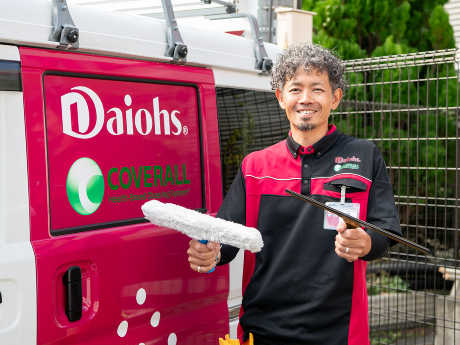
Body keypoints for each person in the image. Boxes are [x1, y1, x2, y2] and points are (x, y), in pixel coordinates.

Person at [187, 43, 402, 345]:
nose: (306, 99)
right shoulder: (255, 166)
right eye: (295, 88)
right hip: (261, 332)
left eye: (317, 89)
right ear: (280, 97)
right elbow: (227, 239)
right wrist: (211, 253)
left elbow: (387, 232)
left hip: (338, 333)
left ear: (335, 98)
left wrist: (365, 242)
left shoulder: (364, 156)